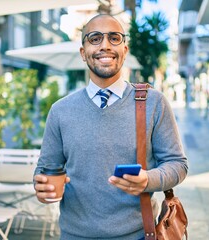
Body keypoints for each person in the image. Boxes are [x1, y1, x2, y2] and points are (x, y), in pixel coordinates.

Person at [34, 14, 188, 240]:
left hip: (137, 235)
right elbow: (46, 169)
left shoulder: (154, 103)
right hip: (74, 235)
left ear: (125, 50)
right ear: (83, 52)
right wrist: (42, 188)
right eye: (95, 38)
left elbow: (178, 164)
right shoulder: (60, 111)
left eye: (114, 38)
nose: (105, 45)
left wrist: (148, 180)